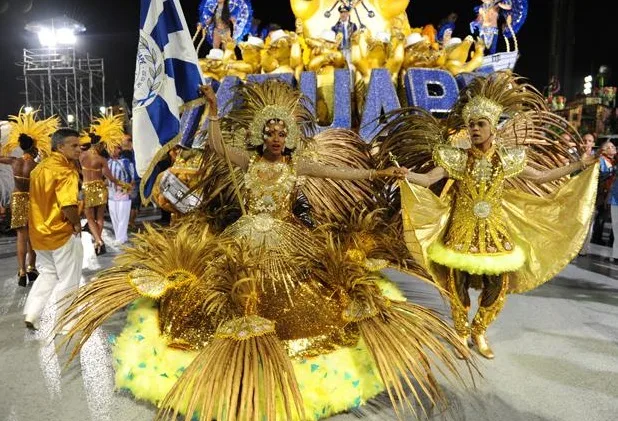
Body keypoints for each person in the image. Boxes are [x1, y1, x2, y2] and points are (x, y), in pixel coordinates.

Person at [57, 80, 473, 421]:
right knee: (226, 291)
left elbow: (341, 170)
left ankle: (275, 352)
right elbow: (217, 147)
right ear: (261, 135)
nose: (275, 139)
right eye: (269, 133)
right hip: (243, 236)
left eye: (281, 133)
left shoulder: (297, 166)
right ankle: (233, 352)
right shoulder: (249, 163)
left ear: (289, 137)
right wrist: (215, 111)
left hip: (288, 240)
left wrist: (380, 170)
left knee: (307, 297)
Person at [384, 72, 598, 359]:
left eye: (480, 124)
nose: (474, 129)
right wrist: (405, 174)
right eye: (471, 124)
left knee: (497, 285)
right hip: (460, 231)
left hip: (495, 232)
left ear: (493, 128)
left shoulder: (507, 159)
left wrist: (578, 166)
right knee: (456, 284)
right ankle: (460, 332)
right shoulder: (457, 158)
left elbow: (542, 177)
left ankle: (479, 330)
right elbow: (426, 180)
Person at [23, 128, 83, 331]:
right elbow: (68, 205)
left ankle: (32, 313)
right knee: (68, 277)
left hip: (38, 232)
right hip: (60, 231)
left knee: (48, 273)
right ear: (60, 147)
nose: (79, 149)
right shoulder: (65, 170)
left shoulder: (39, 168)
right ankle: (66, 322)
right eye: (74, 145)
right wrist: (75, 223)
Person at [0, 110, 57, 286]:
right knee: (32, 235)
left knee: (20, 236)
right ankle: (32, 266)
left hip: (17, 199)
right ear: (35, 146)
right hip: (32, 200)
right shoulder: (36, 165)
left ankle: (21, 271)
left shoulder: (14, 162)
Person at [79, 115, 127, 255]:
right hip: (100, 189)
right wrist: (123, 184)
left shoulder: (82, 156)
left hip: (87, 188)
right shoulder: (101, 159)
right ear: (99, 145)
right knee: (99, 217)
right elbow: (111, 178)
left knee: (89, 218)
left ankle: (98, 241)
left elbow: (75, 169)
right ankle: (98, 242)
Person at [107, 145, 136, 245]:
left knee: (123, 216)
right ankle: (120, 236)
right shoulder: (107, 162)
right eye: (111, 148)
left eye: (116, 148)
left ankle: (121, 238)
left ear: (120, 150)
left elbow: (132, 177)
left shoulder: (126, 162)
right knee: (114, 216)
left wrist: (129, 188)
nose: (113, 150)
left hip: (123, 192)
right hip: (111, 192)